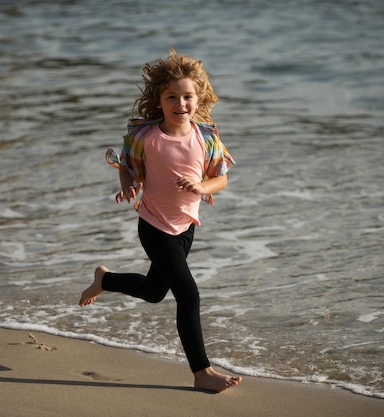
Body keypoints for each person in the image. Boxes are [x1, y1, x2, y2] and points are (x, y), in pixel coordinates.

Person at [79, 48, 241, 393]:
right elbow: (126, 165)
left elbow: (221, 178)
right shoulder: (147, 137)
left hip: (186, 228)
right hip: (154, 225)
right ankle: (202, 373)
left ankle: (105, 280)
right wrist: (128, 187)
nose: (180, 103)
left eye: (187, 96)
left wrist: (200, 186)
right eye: (172, 97)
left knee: (154, 292)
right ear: (159, 100)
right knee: (188, 294)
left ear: (199, 98)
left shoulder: (206, 137)